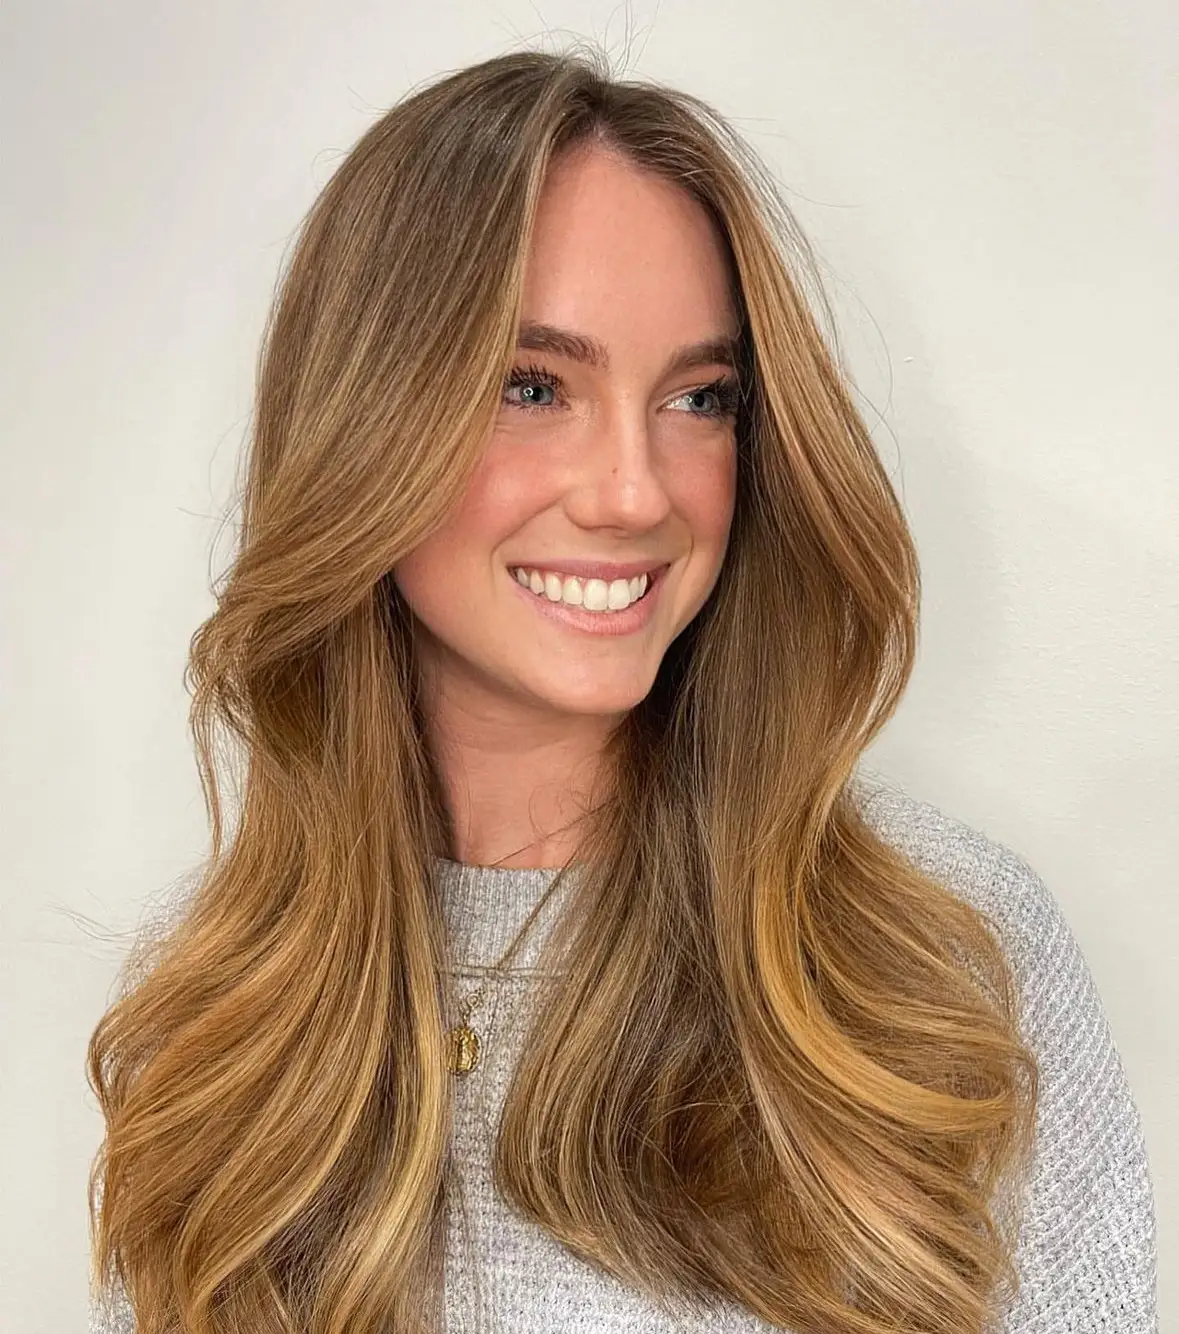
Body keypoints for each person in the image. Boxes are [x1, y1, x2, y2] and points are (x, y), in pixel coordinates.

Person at [86, 45, 1157, 1334]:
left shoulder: (938, 964)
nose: (636, 492)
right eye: (533, 387)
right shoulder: (221, 1017)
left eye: (700, 399)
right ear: (366, 424)